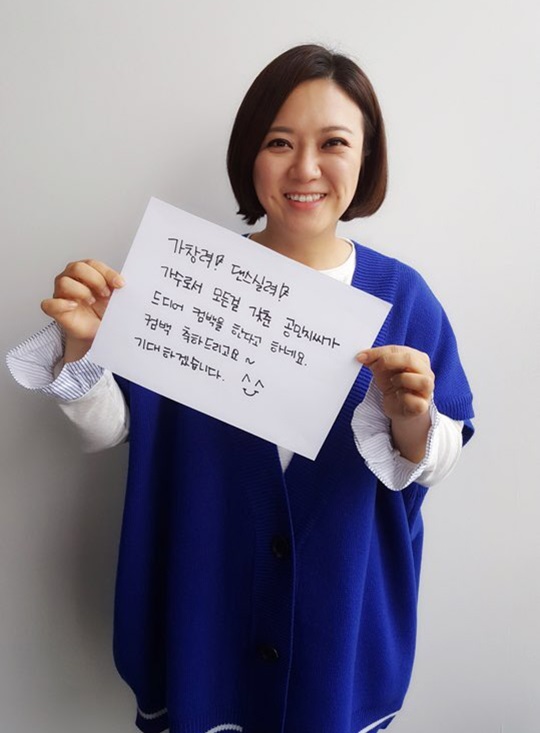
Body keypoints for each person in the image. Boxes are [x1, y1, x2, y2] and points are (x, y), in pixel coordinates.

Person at [7, 44, 474, 733]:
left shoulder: (405, 299)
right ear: (249, 154)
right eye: (279, 142)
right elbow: (114, 429)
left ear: (367, 158)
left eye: (333, 143)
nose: (305, 168)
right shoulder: (183, 281)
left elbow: (437, 455)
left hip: (340, 628)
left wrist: (412, 419)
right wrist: (84, 346)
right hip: (204, 609)